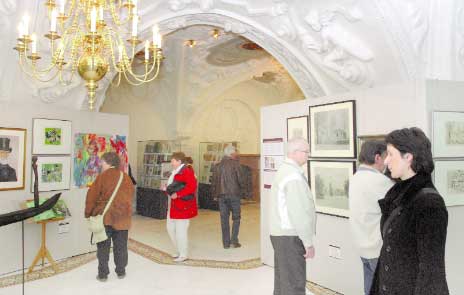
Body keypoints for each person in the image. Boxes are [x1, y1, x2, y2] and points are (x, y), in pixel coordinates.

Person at [370, 127, 449, 295]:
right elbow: (388, 252)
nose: (385, 161)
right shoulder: (396, 194)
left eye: (391, 154)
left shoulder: (429, 204)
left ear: (408, 157)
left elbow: (431, 270)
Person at [269, 138, 316, 295]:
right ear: (295, 153)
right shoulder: (293, 176)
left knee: (283, 282)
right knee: (294, 284)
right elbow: (299, 212)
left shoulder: (285, 171)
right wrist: (308, 242)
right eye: (306, 152)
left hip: (281, 235)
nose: (308, 155)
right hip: (289, 237)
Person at [349, 140, 394, 295]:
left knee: (370, 287)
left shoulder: (355, 177)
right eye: (386, 157)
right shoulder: (380, 181)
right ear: (377, 158)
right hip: (377, 248)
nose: (387, 163)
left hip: (362, 246)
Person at [85, 152, 135, 282]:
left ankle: (103, 274)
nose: (100, 164)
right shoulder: (126, 178)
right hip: (123, 218)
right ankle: (121, 271)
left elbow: (91, 197)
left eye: (102, 162)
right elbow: (130, 196)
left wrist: (88, 213)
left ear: (108, 162)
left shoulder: (102, 177)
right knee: (121, 246)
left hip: (106, 218)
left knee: (103, 247)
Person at [164, 152, 198, 262]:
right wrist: (166, 188)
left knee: (181, 230)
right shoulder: (175, 171)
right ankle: (179, 250)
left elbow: (192, 187)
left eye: (173, 160)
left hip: (182, 206)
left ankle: (183, 254)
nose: (171, 162)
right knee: (170, 228)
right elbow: (174, 186)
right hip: (173, 206)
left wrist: (178, 194)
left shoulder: (186, 171)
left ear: (179, 161)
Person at [211, 145, 245, 249]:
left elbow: (214, 182)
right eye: (235, 152)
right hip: (234, 195)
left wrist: (214, 195)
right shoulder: (236, 164)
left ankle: (225, 243)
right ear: (231, 153)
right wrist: (243, 193)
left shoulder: (217, 166)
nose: (237, 154)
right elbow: (241, 180)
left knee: (224, 219)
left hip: (221, 196)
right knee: (236, 218)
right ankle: (234, 241)